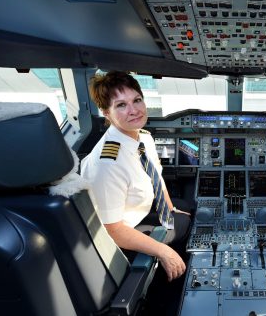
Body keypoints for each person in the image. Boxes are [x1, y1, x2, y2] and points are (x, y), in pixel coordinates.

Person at [80, 70, 191, 283]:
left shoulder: (143, 138)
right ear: (105, 112)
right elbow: (112, 230)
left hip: (138, 212)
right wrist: (162, 251)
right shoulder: (107, 164)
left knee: (185, 209)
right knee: (184, 223)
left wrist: (170, 209)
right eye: (121, 105)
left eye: (137, 100)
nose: (134, 110)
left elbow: (156, 177)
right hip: (119, 235)